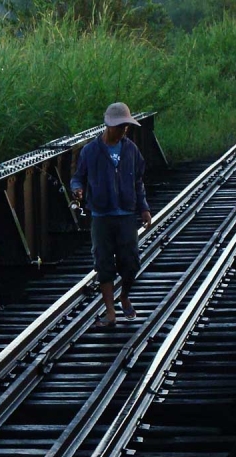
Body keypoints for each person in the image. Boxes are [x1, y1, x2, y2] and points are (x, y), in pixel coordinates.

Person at [71, 102, 153, 328]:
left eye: (126, 126)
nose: (124, 130)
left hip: (126, 214)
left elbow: (138, 181)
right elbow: (78, 177)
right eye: (121, 126)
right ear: (110, 126)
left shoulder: (130, 150)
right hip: (101, 216)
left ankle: (124, 295)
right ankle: (110, 312)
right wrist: (77, 189)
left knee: (131, 262)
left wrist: (144, 208)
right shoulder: (91, 151)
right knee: (103, 264)